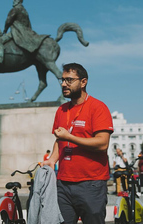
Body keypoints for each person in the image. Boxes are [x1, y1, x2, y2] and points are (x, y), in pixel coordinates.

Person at [43, 63, 114, 224]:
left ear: (83, 82)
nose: (63, 84)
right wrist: (52, 159)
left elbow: (102, 144)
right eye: (62, 80)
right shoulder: (61, 110)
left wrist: (70, 137)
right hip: (63, 183)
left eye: (69, 80)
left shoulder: (98, 107)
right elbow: (59, 140)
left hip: (91, 183)